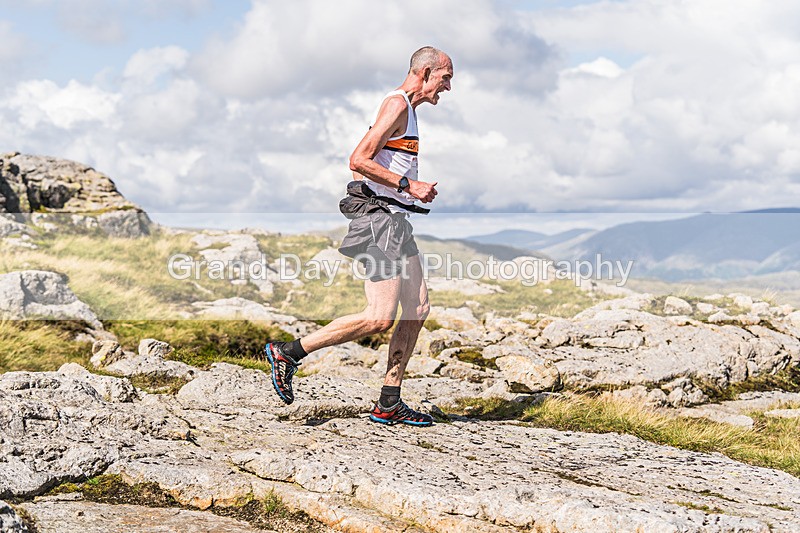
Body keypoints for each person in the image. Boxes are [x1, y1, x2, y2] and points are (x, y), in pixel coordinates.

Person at [263, 46, 453, 427]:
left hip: (395, 220)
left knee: (417, 308)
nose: (448, 87)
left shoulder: (407, 110)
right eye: (445, 78)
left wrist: (397, 194)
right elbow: (358, 159)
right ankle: (289, 352)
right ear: (426, 72)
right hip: (381, 222)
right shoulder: (396, 105)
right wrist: (408, 186)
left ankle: (389, 401)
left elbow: (364, 167)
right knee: (379, 317)